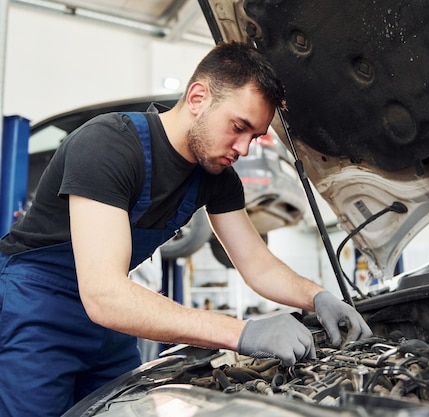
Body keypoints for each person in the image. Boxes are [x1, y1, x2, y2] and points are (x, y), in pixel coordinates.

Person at [0, 41, 372, 417]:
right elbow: (104, 294)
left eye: (254, 136)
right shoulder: (108, 145)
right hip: (38, 309)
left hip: (108, 325)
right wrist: (241, 332)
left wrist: (318, 297)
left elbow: (257, 265)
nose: (243, 148)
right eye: (238, 127)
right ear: (197, 97)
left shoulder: (216, 178)